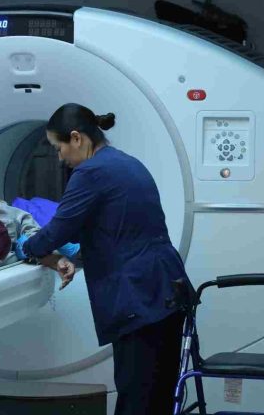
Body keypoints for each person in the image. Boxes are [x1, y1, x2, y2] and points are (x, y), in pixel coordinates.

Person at [15, 103, 191, 415]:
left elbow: (57, 229)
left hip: (137, 295)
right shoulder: (128, 163)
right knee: (158, 396)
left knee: (136, 398)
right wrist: (71, 252)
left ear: (76, 138)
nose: (60, 157)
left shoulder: (90, 172)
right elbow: (117, 227)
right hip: (167, 289)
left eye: (58, 148)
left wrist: (25, 247)